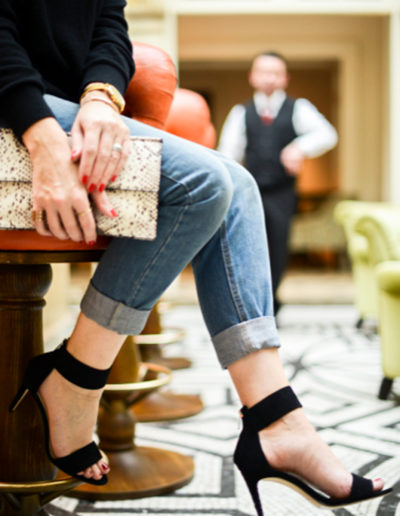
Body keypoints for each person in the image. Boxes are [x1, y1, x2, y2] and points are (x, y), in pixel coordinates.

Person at [0, 1, 389, 513]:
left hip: (75, 112)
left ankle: (276, 421)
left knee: (239, 186)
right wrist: (42, 131)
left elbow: (109, 29)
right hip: (18, 109)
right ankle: (74, 376)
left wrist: (100, 98)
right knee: (204, 183)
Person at [218, 51, 338, 314]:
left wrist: (299, 147)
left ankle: (271, 302)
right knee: (248, 247)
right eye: (263, 72)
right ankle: (252, 303)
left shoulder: (299, 108)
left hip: (283, 193)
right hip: (250, 192)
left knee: (278, 247)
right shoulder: (241, 113)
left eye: (275, 73)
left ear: (285, 78)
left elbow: (327, 134)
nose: (269, 78)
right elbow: (228, 154)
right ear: (252, 77)